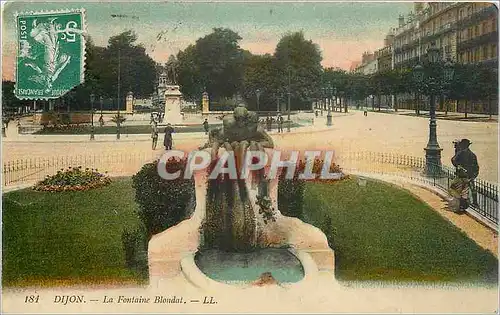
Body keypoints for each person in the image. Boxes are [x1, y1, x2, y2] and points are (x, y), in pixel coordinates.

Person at [450, 138, 479, 212]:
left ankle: (462, 205)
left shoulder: (460, 153)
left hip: (462, 175)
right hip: (470, 175)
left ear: (463, 145)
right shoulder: (473, 154)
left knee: (457, 188)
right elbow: (476, 167)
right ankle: (475, 203)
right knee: (472, 188)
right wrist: (474, 176)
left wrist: (458, 166)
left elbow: (453, 160)